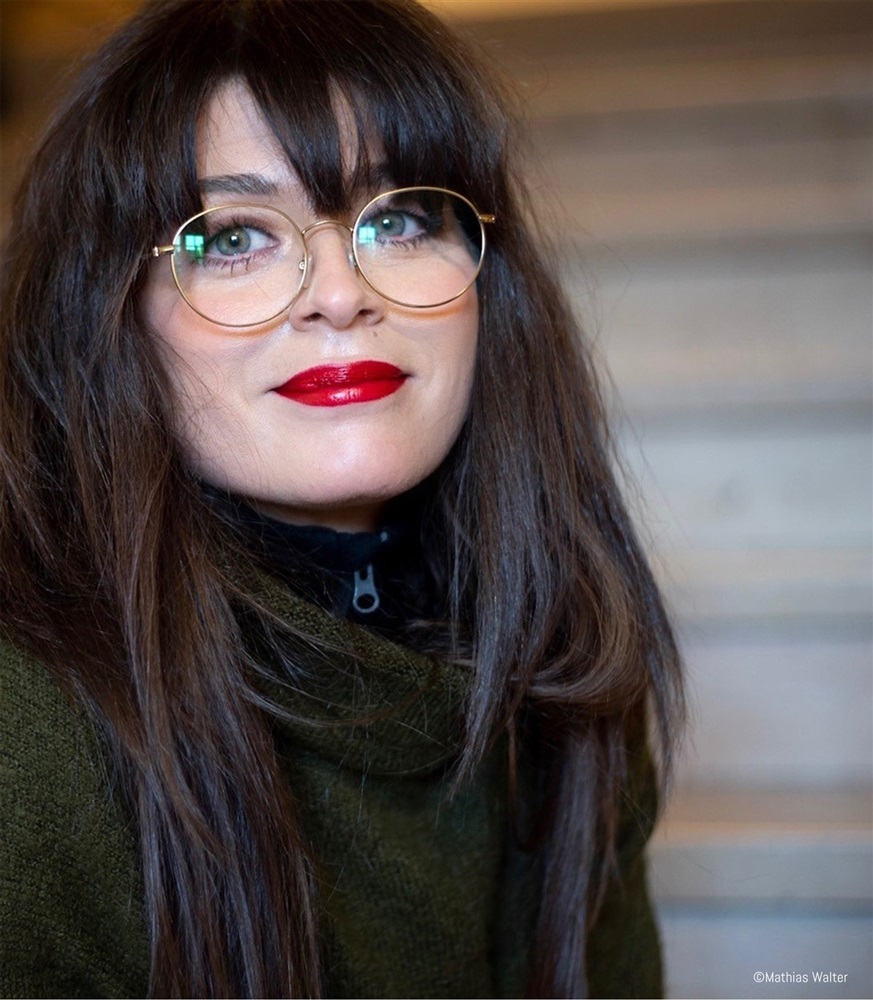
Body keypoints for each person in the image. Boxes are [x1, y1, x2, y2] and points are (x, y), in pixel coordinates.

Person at [0, 0, 684, 997]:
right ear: (108, 317)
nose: (339, 292)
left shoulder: (566, 658)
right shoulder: (28, 735)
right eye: (233, 237)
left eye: (397, 220)